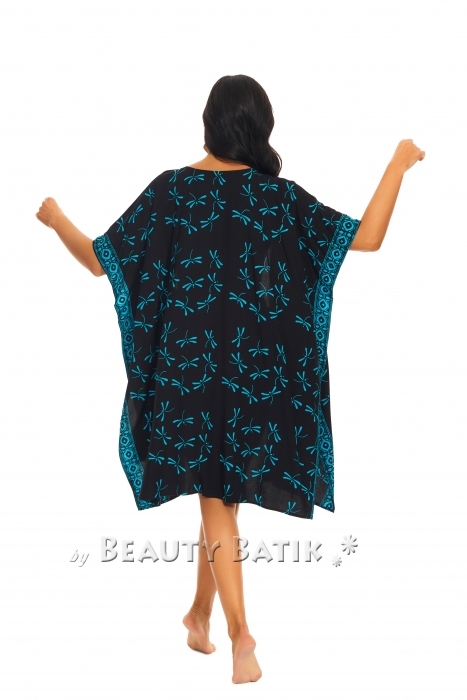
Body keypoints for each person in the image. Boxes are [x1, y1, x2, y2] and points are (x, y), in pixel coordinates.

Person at [35, 75, 425, 684]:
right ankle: (201, 618)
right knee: (220, 494)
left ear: (208, 122)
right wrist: (397, 164)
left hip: (189, 378)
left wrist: (58, 218)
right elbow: (368, 237)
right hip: (256, 379)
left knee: (216, 493)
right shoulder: (279, 199)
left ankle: (240, 635)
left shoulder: (171, 191)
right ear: (261, 127)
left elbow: (98, 260)